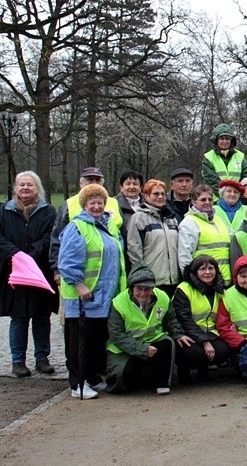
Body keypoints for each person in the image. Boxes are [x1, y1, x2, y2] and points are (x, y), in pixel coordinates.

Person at [57, 183, 126, 399]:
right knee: (80, 342)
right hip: (84, 297)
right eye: (91, 203)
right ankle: (78, 383)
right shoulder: (77, 227)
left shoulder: (109, 227)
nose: (96, 206)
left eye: (100, 202)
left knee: (97, 339)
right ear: (84, 206)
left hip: (105, 296)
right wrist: (79, 285)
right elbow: (67, 261)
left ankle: (93, 377)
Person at [0, 171, 57, 377]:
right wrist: (15, 254)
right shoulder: (4, 211)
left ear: (37, 188)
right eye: (21, 185)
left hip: (39, 271)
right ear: (15, 188)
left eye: (30, 185)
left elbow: (51, 236)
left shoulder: (48, 211)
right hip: (13, 272)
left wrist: (31, 255)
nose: (25, 188)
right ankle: (18, 360)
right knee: (19, 318)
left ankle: (42, 358)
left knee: (42, 316)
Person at [105, 264, 192, 395]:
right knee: (123, 374)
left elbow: (170, 320)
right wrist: (142, 349)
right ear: (131, 288)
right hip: (124, 347)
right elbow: (117, 335)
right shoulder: (119, 302)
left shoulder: (162, 297)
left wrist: (178, 334)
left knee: (167, 343)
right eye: (139, 289)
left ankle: (161, 383)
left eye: (147, 289)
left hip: (153, 340)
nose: (143, 293)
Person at [49, 167, 122, 273]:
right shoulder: (69, 204)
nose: (94, 183)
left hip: (111, 270)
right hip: (80, 273)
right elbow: (57, 238)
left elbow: (122, 235)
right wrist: (56, 269)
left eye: (97, 180)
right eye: (90, 179)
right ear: (81, 183)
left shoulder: (114, 203)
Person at [172, 255, 231, 384]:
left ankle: (203, 371)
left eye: (211, 268)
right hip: (187, 334)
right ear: (195, 271)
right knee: (193, 352)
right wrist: (204, 342)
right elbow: (184, 319)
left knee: (223, 351)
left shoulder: (219, 288)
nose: (208, 272)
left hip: (212, 333)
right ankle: (184, 373)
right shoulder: (184, 289)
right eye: (203, 269)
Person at [126, 179, 180, 296]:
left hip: (173, 280)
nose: (160, 197)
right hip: (152, 280)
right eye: (156, 194)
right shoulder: (139, 218)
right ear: (146, 196)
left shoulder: (172, 219)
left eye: (163, 194)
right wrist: (142, 275)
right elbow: (134, 250)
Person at [178, 185, 232, 285]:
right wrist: (191, 282)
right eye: (203, 200)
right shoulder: (189, 223)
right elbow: (185, 256)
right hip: (204, 283)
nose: (207, 202)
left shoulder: (219, 220)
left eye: (210, 199)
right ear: (194, 202)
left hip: (224, 281)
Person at [201, 123, 247, 197]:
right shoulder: (208, 157)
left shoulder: (240, 156)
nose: (225, 141)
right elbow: (211, 180)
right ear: (216, 140)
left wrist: (237, 193)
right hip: (216, 200)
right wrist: (226, 195)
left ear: (231, 141)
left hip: (237, 198)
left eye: (227, 138)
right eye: (222, 138)